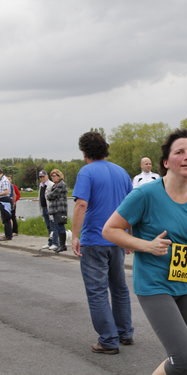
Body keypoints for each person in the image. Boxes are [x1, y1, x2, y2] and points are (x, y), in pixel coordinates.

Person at [103, 128, 187, 375]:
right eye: (180, 152)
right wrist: (146, 245)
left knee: (186, 362)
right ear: (166, 162)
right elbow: (110, 230)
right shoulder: (146, 194)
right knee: (183, 357)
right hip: (155, 284)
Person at [72, 131, 134, 355]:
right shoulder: (121, 172)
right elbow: (131, 207)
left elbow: (81, 205)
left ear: (84, 151)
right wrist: (129, 236)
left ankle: (108, 339)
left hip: (94, 239)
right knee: (119, 287)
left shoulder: (86, 172)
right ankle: (125, 331)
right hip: (117, 238)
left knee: (97, 291)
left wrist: (75, 235)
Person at [46, 169, 68, 253]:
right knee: (58, 227)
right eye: (52, 176)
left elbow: (52, 195)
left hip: (60, 209)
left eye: (54, 176)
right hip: (55, 209)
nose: (53, 177)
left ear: (59, 176)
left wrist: (48, 195)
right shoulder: (56, 185)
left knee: (60, 227)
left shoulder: (61, 184)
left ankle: (63, 245)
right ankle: (60, 244)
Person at [38, 170, 57, 250]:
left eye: (43, 176)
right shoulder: (41, 185)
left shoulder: (51, 185)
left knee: (53, 226)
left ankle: (55, 243)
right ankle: (50, 242)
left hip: (50, 208)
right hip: (44, 207)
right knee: (48, 226)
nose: (42, 178)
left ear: (47, 176)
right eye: (40, 177)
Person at [0, 168, 13, 241]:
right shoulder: (1, 180)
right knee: (4, 219)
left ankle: (9, 236)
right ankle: (7, 234)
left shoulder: (4, 180)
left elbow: (6, 192)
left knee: (7, 219)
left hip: (5, 201)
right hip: (2, 200)